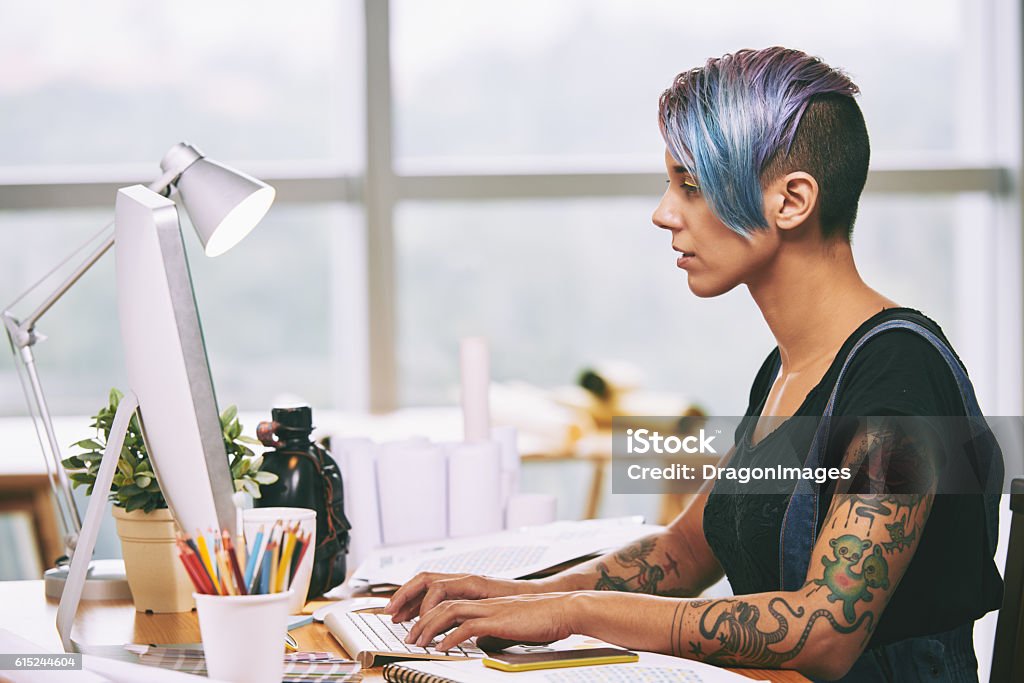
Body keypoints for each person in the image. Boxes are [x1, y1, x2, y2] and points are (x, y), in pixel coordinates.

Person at [384, 47, 1003, 681]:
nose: (664, 212)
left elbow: (823, 631)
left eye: (692, 186)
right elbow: (683, 551)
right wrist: (514, 597)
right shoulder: (789, 370)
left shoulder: (899, 382)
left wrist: (572, 613)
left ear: (792, 201)